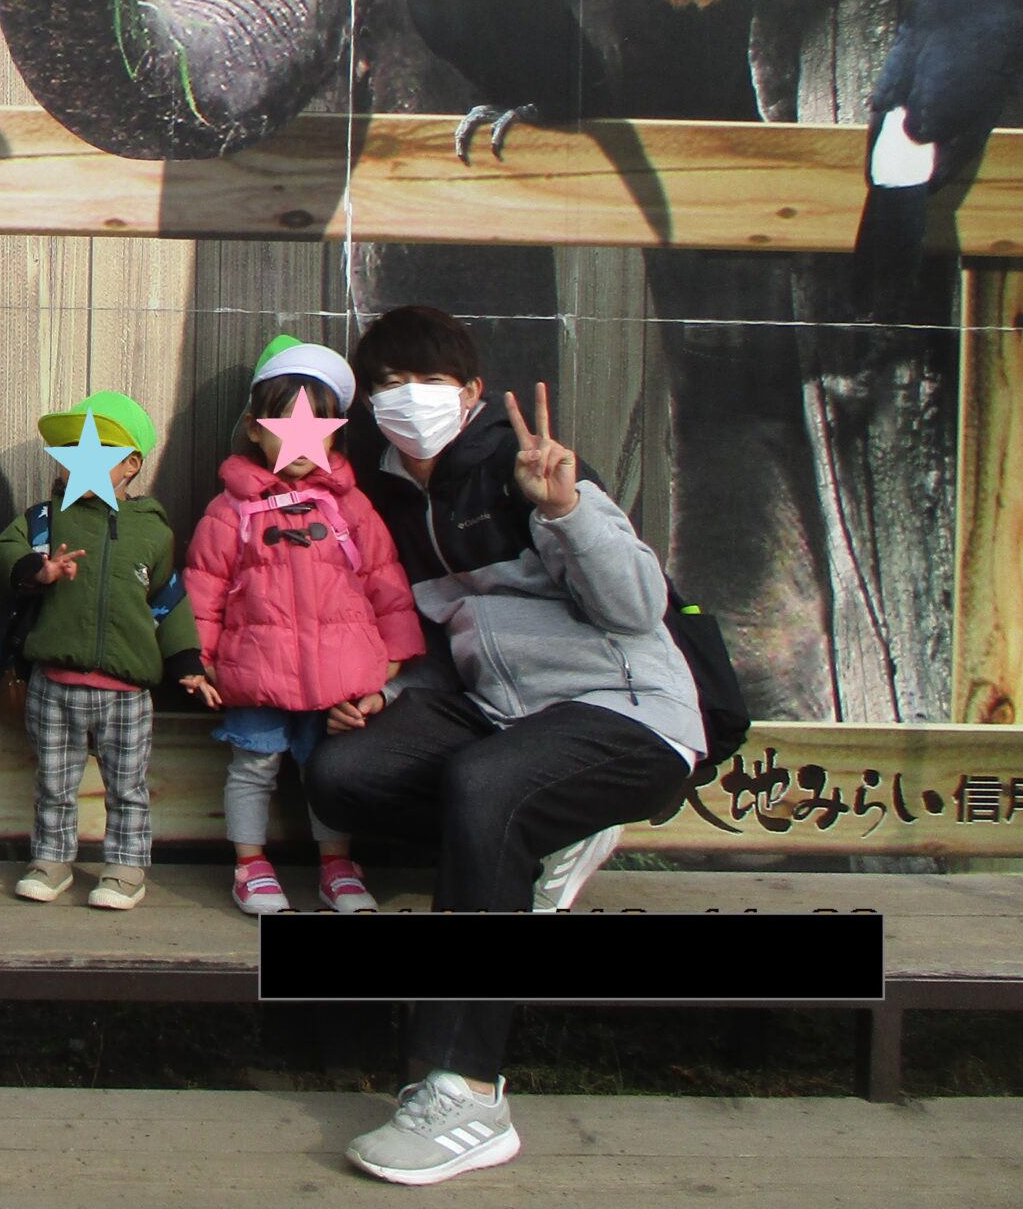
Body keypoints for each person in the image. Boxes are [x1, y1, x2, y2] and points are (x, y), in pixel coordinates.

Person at [307, 305, 704, 1186]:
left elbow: (638, 608)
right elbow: (440, 636)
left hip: (625, 712)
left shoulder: (526, 466)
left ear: (473, 392)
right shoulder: (382, 497)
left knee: (489, 789)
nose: (406, 400)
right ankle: (550, 825)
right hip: (499, 715)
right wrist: (386, 692)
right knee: (344, 774)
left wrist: (564, 510)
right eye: (386, 385)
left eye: (428, 382)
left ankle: (465, 1089)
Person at [182, 338, 421, 916]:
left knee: (328, 772)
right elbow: (203, 587)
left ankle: (337, 864)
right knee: (254, 766)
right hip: (256, 671)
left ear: (336, 432)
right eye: (282, 423)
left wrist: (392, 659)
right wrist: (198, 659)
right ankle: (249, 863)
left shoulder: (352, 507)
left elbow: (386, 583)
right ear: (255, 430)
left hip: (338, 678)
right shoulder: (230, 510)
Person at [0, 390, 197, 913]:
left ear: (131, 464)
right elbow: (5, 550)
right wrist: (39, 570)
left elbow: (169, 597)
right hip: (54, 684)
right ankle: (51, 859)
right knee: (54, 782)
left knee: (127, 786)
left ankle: (126, 866)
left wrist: (187, 662)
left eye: (97, 447)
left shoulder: (151, 527)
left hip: (127, 694)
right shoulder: (46, 518)